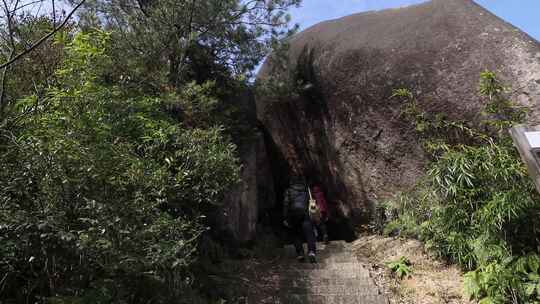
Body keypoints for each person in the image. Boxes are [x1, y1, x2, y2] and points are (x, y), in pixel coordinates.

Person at [283, 175, 317, 263]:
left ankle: (300, 253)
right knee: (310, 233)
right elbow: (312, 201)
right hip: (305, 213)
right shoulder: (306, 190)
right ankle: (311, 252)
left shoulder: (289, 191)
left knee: (296, 233)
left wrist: (285, 218)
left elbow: (286, 204)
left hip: (293, 214)